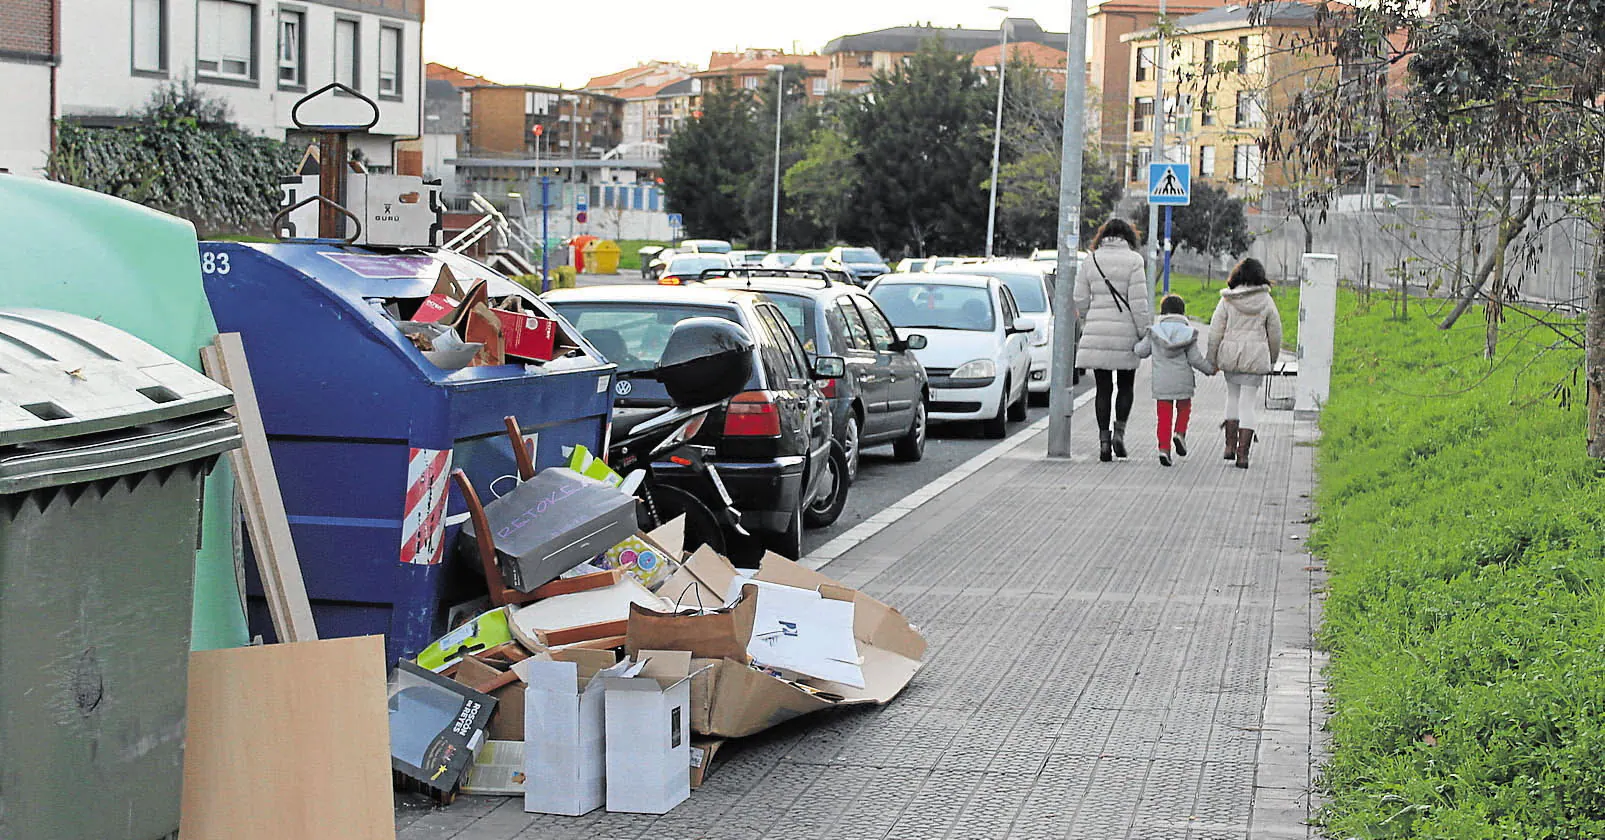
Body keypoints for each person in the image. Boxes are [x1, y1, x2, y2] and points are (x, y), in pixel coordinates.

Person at [1074, 218, 1152, 461]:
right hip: (1125, 332)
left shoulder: (1091, 260)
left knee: (1103, 389)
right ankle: (1120, 432)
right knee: (1126, 385)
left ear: (1103, 236)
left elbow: (1080, 298)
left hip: (1097, 331)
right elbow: (1139, 303)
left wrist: (1090, 317)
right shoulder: (1135, 261)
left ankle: (1103, 442)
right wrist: (1143, 331)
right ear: (1128, 237)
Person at [1206, 257, 1284, 469]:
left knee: (1232, 397)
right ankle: (1243, 455)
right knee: (1248, 403)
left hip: (1231, 357)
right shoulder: (1266, 301)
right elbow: (1275, 335)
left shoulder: (1227, 300)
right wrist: (1272, 359)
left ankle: (1229, 447)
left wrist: (1211, 360)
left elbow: (1215, 332)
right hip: (1256, 357)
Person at [1135, 294, 1215, 466]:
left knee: (1164, 416)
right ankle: (1179, 433)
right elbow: (1195, 359)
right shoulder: (1188, 333)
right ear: (1182, 312)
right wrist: (1210, 369)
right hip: (1182, 380)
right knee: (1184, 408)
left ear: (1163, 312)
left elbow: (1141, 351)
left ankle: (1164, 449)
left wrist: (1133, 345)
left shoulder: (1154, 332)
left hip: (1161, 382)